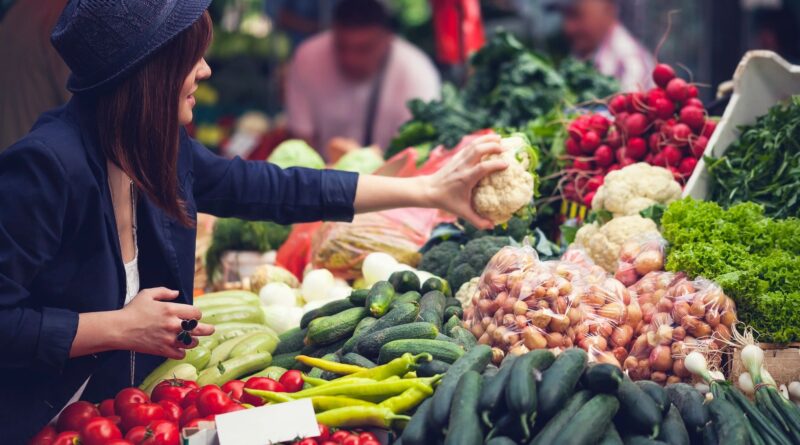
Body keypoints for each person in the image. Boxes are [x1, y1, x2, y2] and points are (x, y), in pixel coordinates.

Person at [0, 1, 506, 441]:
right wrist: (117, 328)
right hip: (48, 424)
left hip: (126, 417)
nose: (205, 70)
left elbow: (278, 189)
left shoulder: (156, 150)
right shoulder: (45, 169)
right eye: (190, 56)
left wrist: (426, 189)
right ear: (149, 73)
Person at [285, 0, 441, 161]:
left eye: (364, 49)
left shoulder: (417, 73)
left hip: (393, 180)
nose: (350, 59)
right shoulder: (308, 59)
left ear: (388, 39)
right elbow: (301, 141)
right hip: (322, 179)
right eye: (341, 46)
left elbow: (418, 155)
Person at [0, 0, 70, 151]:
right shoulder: (64, 17)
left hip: (18, 157)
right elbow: (93, 110)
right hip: (39, 162)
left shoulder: (21, 10)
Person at [550, 0, 654, 91]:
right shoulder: (583, 55)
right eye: (564, 15)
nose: (568, 28)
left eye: (576, 15)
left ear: (608, 10)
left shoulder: (630, 65)